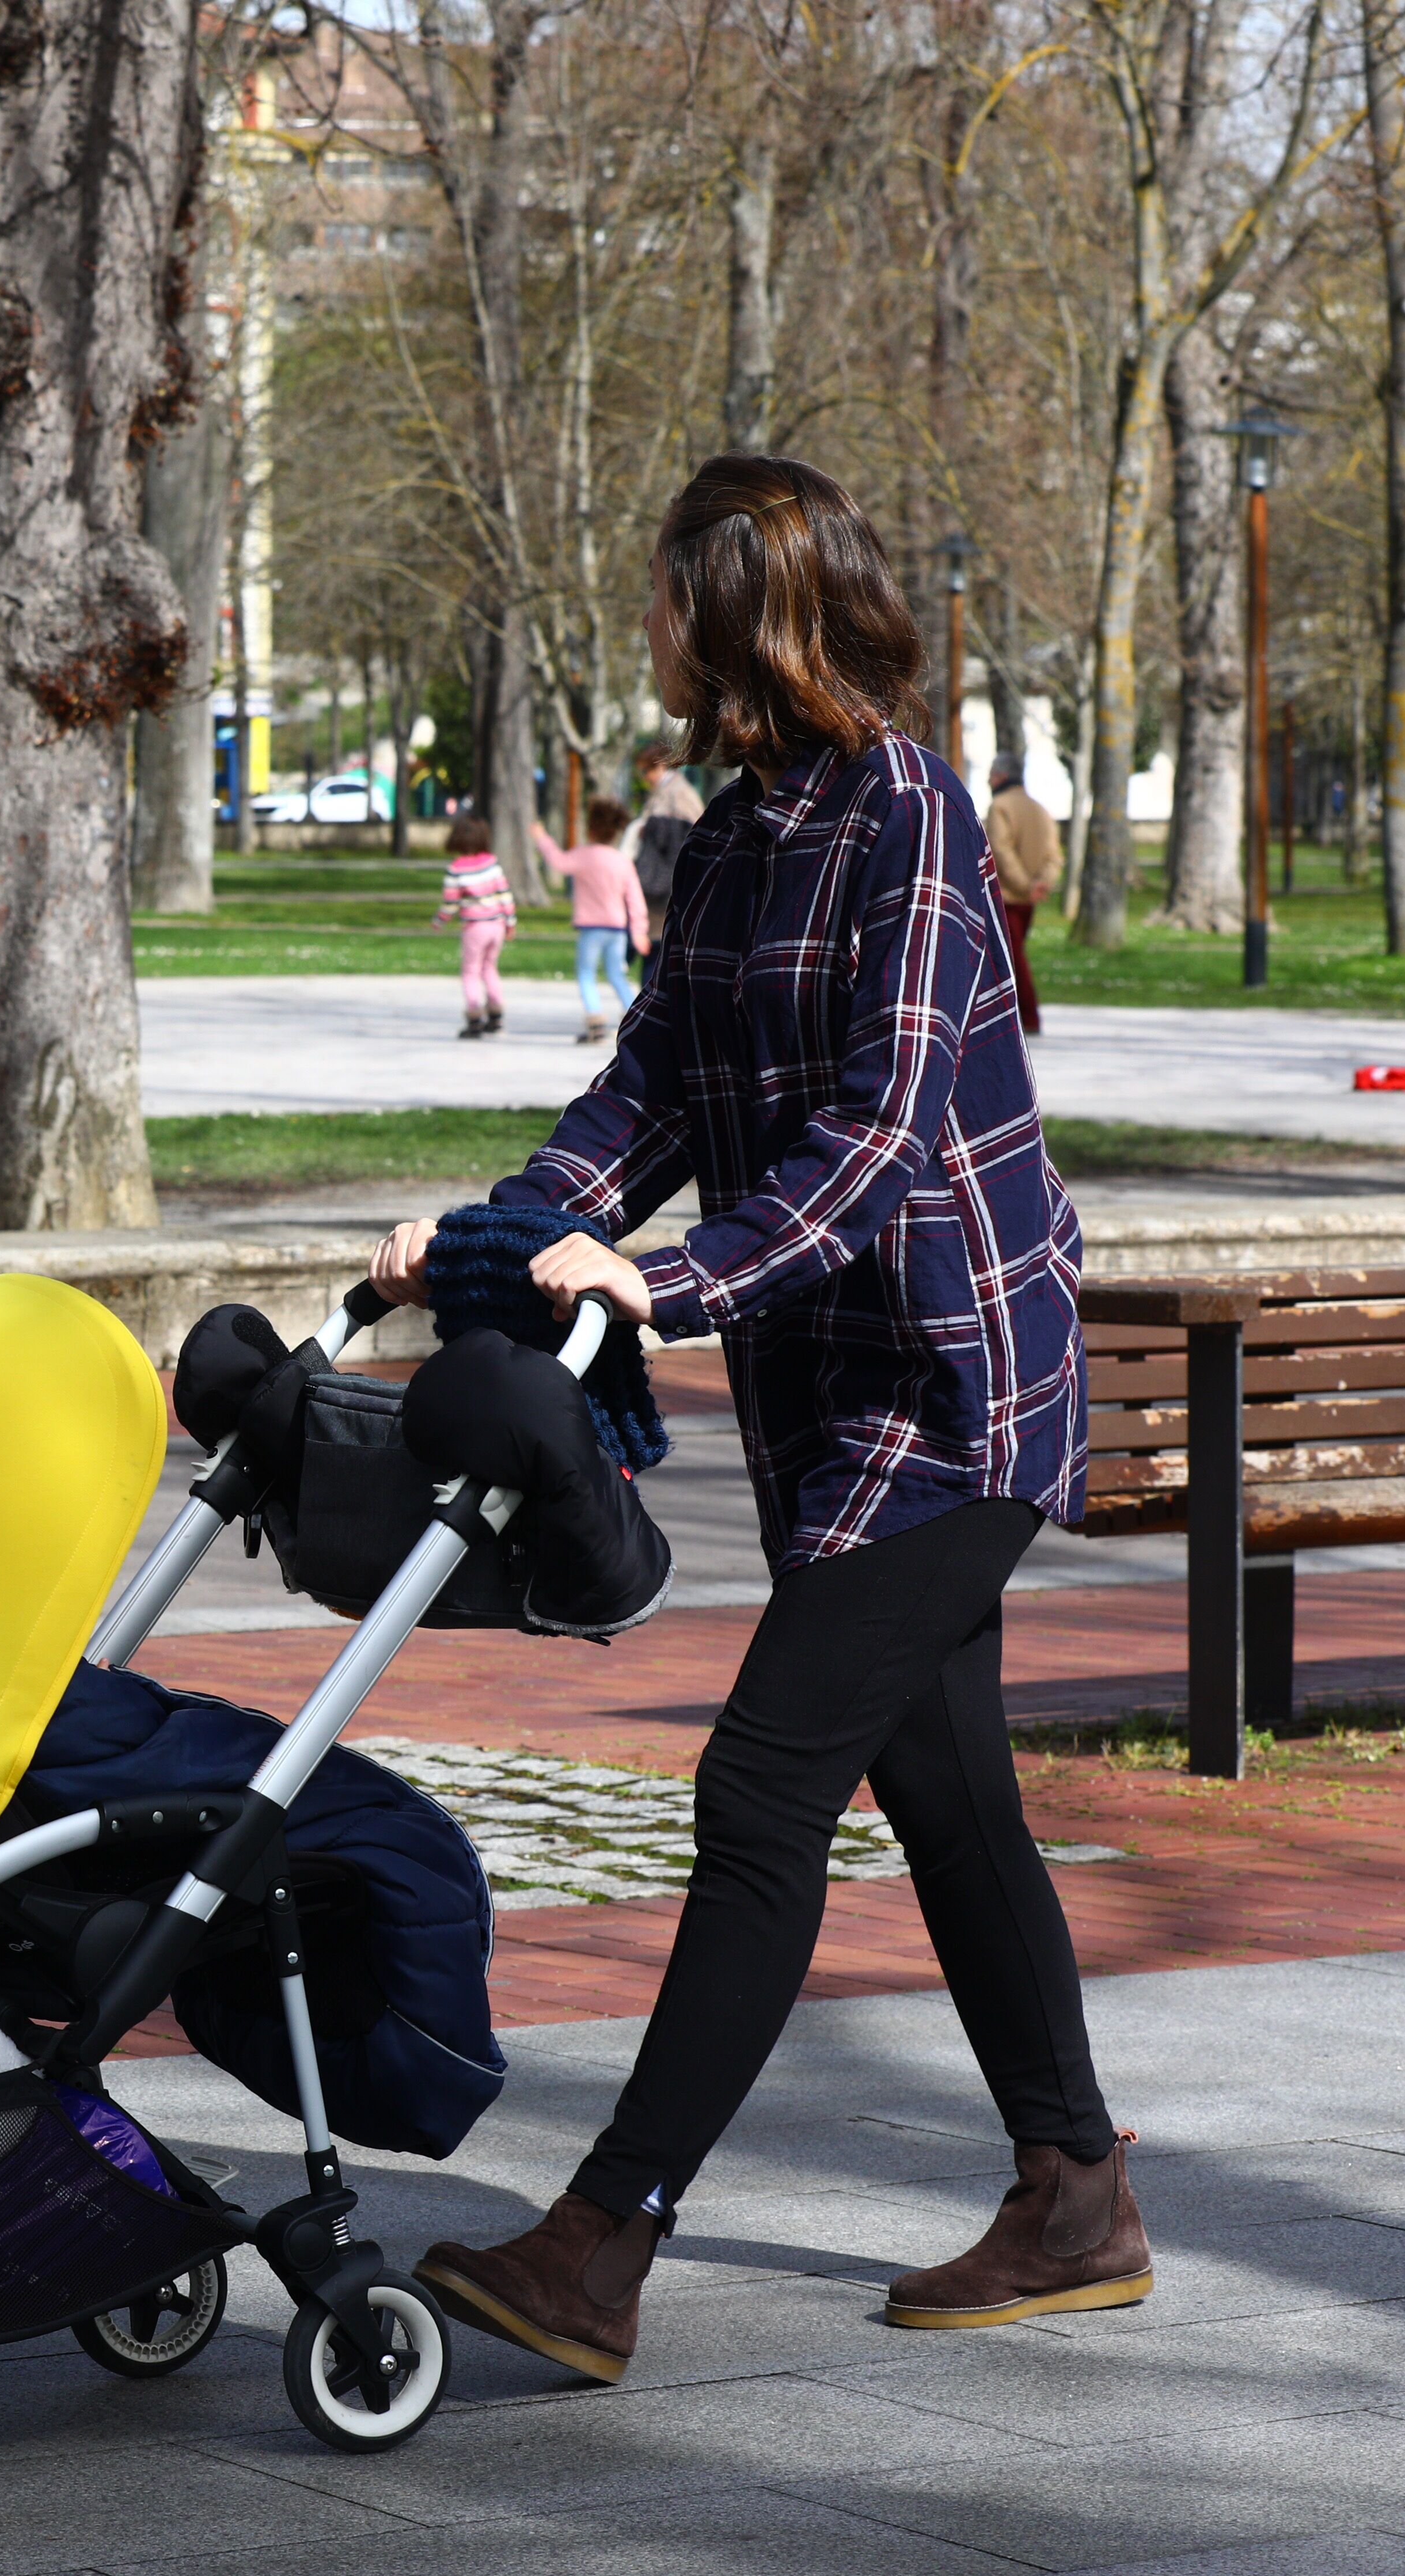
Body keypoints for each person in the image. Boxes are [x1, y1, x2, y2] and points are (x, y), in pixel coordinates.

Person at [371, 453, 1134, 2387]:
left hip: (963, 1381)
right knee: (951, 1798)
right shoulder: (730, 837)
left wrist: (669, 1287)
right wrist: (489, 1235)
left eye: (662, 595)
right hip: (834, 1387)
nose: (646, 628)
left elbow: (881, 1135)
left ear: (740, 611)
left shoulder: (911, 814)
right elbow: (655, 1094)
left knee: (762, 1787)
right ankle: (1076, 2193)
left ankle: (603, 2245)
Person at [535, 794, 650, 1044]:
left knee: (586, 973)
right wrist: (639, 931)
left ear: (591, 829)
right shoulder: (622, 862)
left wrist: (542, 838)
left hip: (592, 929)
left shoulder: (583, 855)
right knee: (617, 974)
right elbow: (635, 899)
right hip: (618, 930)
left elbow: (558, 862)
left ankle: (596, 1021)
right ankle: (638, 1016)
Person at [984, 758, 1062, 1036]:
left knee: (1011, 960)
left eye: (991, 776)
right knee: (1013, 957)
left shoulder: (1000, 807)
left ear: (1002, 776)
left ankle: (1028, 1018)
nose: (988, 781)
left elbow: (1000, 852)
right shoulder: (1039, 808)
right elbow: (1054, 856)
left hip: (1007, 897)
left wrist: (1027, 885)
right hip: (1028, 899)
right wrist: (1042, 883)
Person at [435, 812, 516, 1039]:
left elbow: (450, 903)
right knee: (489, 968)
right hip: (497, 925)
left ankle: (474, 1017)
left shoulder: (457, 869)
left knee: (471, 972)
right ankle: (496, 1015)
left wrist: (440, 921)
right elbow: (505, 895)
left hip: (475, 927)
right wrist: (510, 922)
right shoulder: (492, 864)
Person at [629, 740, 702, 926]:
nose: (645, 778)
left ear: (661, 766)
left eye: (647, 772)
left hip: (670, 874)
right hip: (656, 871)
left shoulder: (680, 792)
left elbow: (694, 830)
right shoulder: (660, 791)